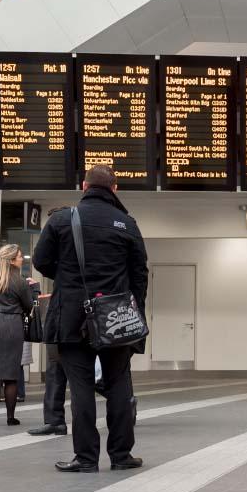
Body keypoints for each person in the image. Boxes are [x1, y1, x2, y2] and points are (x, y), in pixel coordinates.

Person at [32, 165, 148, 472]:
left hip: (71, 318)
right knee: (119, 385)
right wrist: (134, 312)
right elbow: (140, 274)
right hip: (116, 318)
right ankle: (121, 456)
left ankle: (85, 459)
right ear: (115, 189)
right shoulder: (127, 223)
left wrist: (70, 279)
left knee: (81, 389)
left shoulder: (61, 219)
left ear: (84, 185)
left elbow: (41, 261)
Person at [0, 244, 33, 427]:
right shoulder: (19, 281)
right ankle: (10, 418)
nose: (22, 259)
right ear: (12, 259)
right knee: (10, 376)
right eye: (20, 256)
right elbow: (28, 306)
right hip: (12, 328)